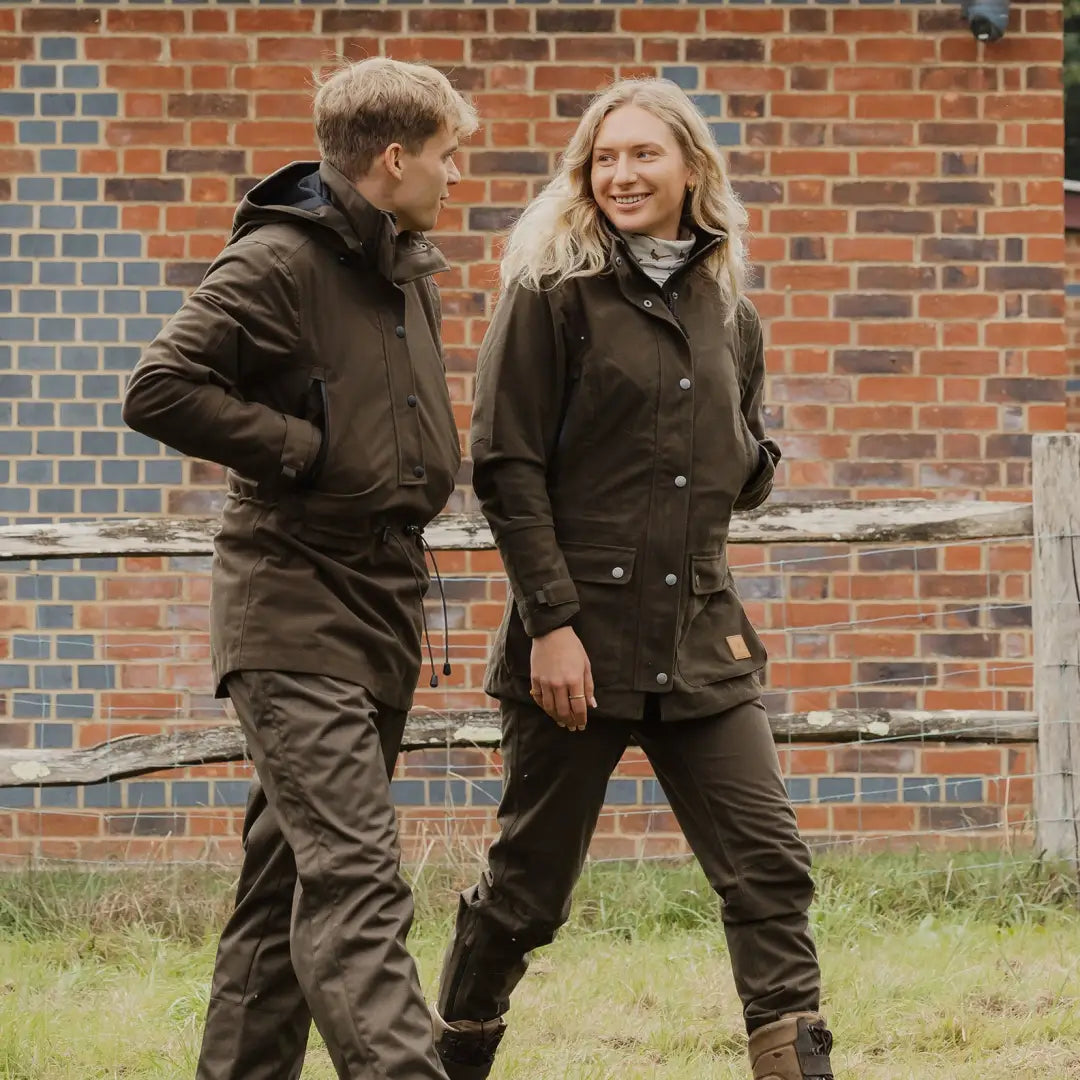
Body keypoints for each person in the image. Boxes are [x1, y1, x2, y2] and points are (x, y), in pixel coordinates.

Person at [431, 78, 835, 1080]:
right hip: (581, 637)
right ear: (585, 173)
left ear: (692, 167)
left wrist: (746, 453)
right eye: (606, 158)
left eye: (644, 155)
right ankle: (451, 1052)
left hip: (701, 635)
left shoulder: (725, 306)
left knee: (770, 866)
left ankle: (796, 1064)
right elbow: (508, 469)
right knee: (528, 892)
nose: (623, 174)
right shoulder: (550, 293)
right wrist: (551, 625)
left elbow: (744, 466)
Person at [122, 57, 477, 1080]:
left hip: (379, 608)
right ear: (396, 158)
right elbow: (159, 388)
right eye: (449, 157)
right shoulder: (278, 261)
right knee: (359, 882)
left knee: (285, 889)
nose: (458, 178)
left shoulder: (401, 270)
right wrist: (304, 450)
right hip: (292, 609)